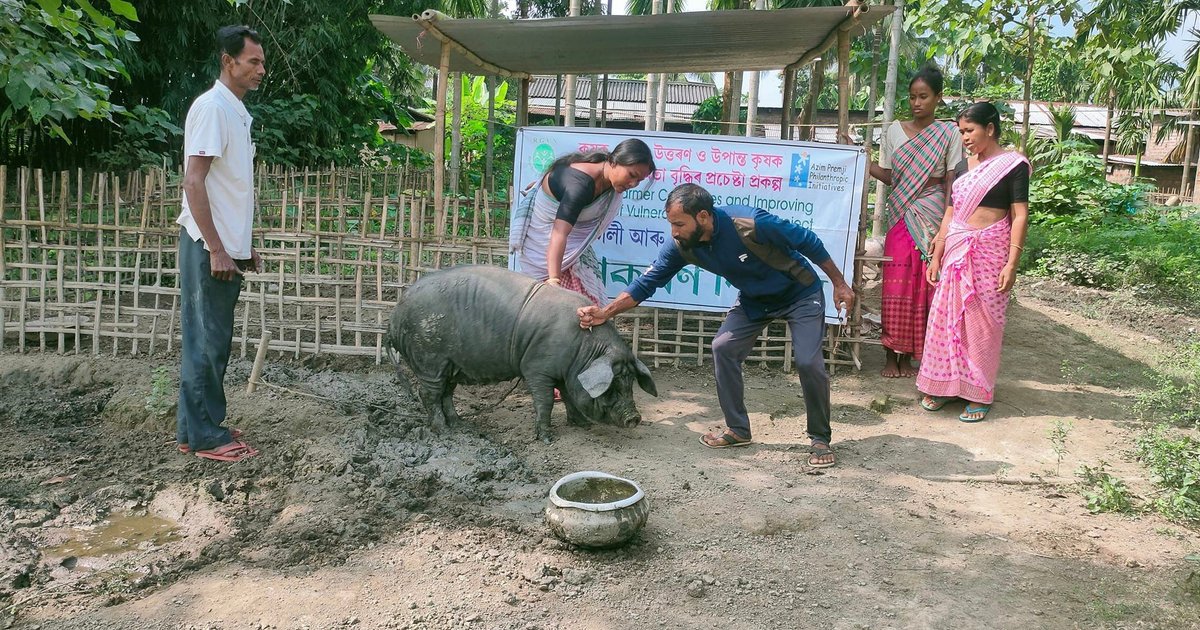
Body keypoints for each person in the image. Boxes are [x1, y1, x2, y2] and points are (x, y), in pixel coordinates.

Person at [577, 184, 855, 467]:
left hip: (800, 294)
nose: (674, 232)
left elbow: (808, 241)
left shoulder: (750, 223)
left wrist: (840, 283)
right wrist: (605, 313)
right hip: (755, 301)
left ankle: (820, 438)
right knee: (722, 347)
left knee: (808, 362)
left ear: (703, 217)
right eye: (671, 224)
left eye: (679, 224)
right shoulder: (683, 246)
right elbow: (646, 283)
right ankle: (738, 430)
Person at [175, 25, 266, 462]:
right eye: (252, 62)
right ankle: (208, 437)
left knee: (208, 339)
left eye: (262, 62)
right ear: (228, 62)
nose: (260, 70)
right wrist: (215, 246)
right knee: (207, 342)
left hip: (221, 244)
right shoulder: (213, 108)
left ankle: (193, 429)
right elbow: (194, 182)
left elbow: (230, 186)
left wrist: (242, 244)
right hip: (206, 244)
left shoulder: (234, 110)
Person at [917, 102, 1030, 423]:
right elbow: (950, 215)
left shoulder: (1012, 165)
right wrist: (936, 255)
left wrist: (1012, 262)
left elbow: (1020, 215)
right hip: (955, 250)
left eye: (970, 131)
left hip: (991, 253)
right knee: (946, 318)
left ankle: (978, 392)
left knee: (982, 324)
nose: (964, 138)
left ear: (990, 129)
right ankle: (944, 385)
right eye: (961, 132)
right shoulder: (964, 169)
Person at [863, 64, 963, 378]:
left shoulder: (949, 133)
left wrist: (948, 226)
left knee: (924, 284)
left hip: (933, 214)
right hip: (900, 215)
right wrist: (865, 164)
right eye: (912, 97)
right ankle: (891, 355)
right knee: (895, 284)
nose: (917, 103)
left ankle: (912, 357)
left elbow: (951, 180)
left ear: (938, 98)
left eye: (923, 96)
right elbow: (892, 176)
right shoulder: (893, 130)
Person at [510, 138, 656, 306]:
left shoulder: (609, 181)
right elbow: (559, 234)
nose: (633, 184)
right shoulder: (580, 184)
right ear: (614, 161)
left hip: (572, 248)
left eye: (639, 181)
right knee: (548, 305)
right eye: (632, 176)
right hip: (546, 242)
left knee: (589, 302)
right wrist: (553, 282)